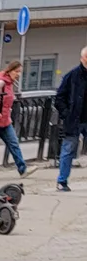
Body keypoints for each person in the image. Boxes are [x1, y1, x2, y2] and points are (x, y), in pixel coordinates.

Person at [54, 46, 87, 191]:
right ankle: (62, 181)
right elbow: (59, 97)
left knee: (68, 149)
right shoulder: (72, 76)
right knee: (68, 149)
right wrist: (66, 114)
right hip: (74, 119)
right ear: (83, 58)